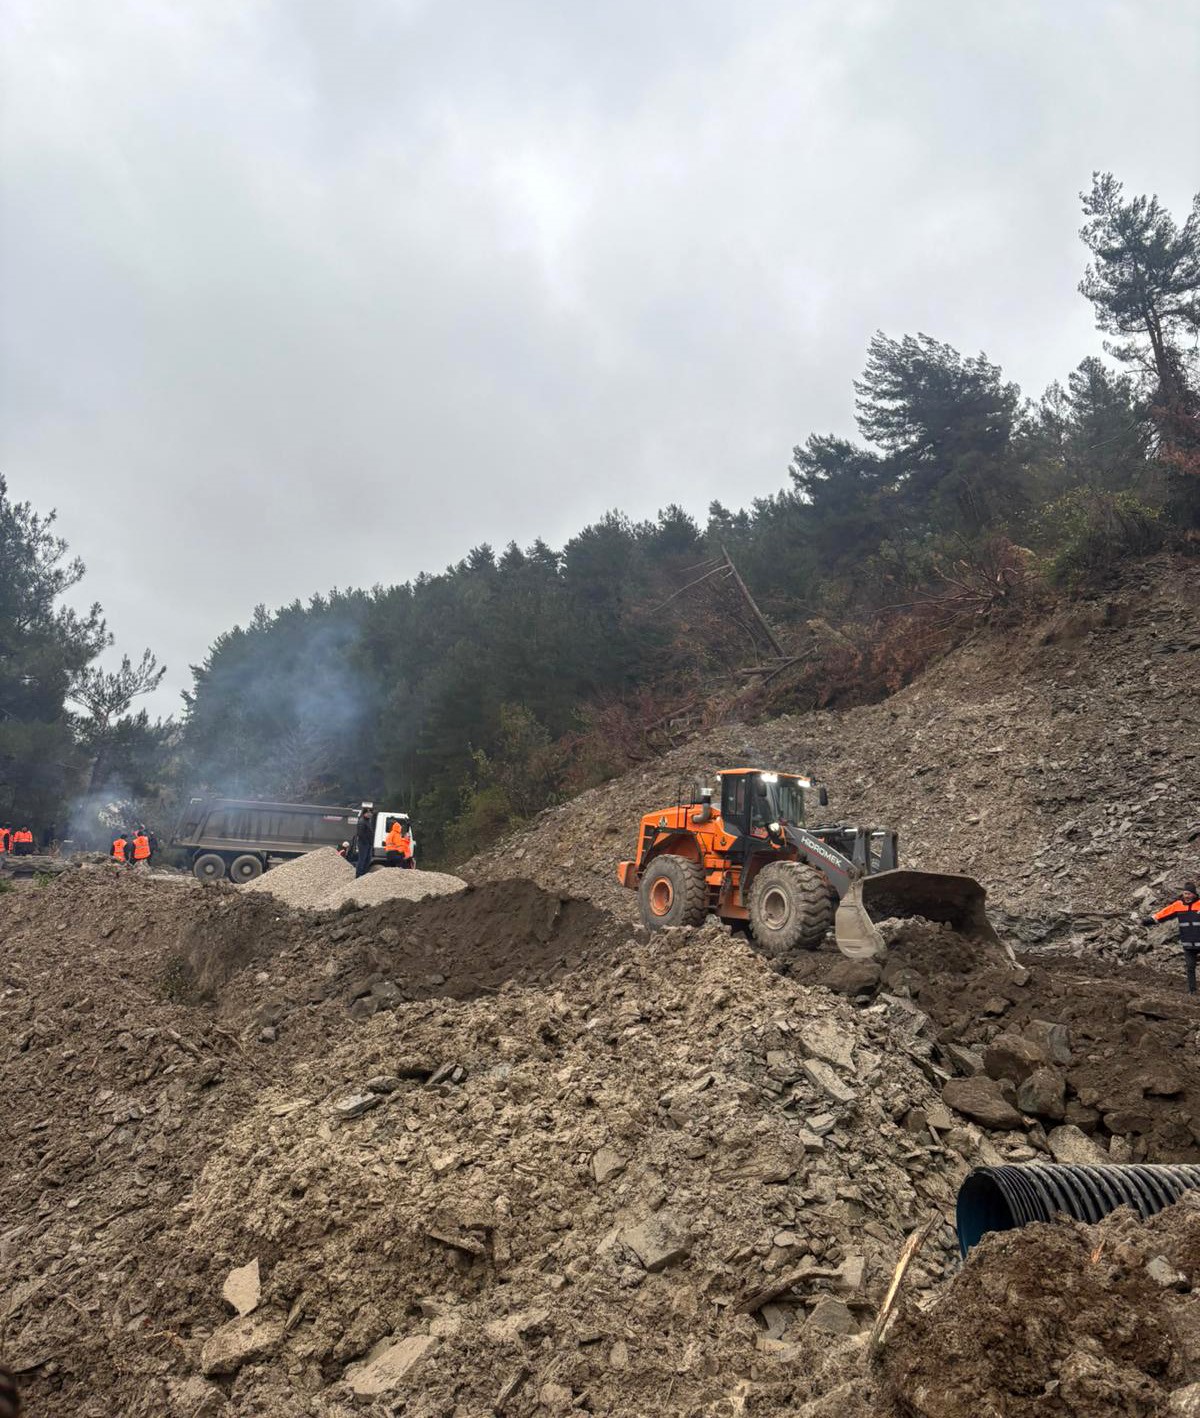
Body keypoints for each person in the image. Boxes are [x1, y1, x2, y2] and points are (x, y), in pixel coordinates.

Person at [1145, 883, 1200, 993]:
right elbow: (1165, 913)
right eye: (1185, 893)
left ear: (1194, 894)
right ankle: (1192, 991)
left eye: (1189, 894)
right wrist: (1151, 920)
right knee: (1190, 968)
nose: (1187, 896)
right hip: (1188, 944)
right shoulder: (1178, 905)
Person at [354, 807, 375, 878]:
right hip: (363, 844)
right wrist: (367, 842)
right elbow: (360, 834)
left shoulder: (367, 821)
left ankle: (364, 874)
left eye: (371, 813)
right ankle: (359, 874)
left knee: (367, 859)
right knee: (362, 859)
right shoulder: (362, 821)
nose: (370, 814)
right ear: (365, 813)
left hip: (368, 844)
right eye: (368, 813)